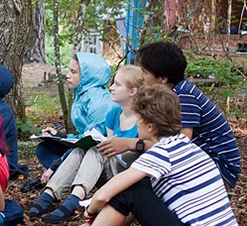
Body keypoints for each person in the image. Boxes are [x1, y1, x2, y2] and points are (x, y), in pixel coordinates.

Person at [29, 84, 242, 226]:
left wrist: (89, 216)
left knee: (130, 188)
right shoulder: (187, 147)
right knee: (136, 189)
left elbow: (105, 195)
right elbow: (139, 208)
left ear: (149, 126)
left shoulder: (162, 152)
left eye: (138, 118)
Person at [98, 41, 240, 189]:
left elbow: (179, 147)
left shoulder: (184, 97)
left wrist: (130, 143)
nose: (141, 77)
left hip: (217, 170)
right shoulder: (171, 94)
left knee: (139, 176)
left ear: (163, 79)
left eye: (145, 72)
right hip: (200, 164)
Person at [28, 65, 143, 223]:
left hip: (127, 177)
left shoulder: (143, 121)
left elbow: (139, 155)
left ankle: (73, 201)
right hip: (109, 173)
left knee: (98, 151)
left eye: (117, 84)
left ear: (132, 91)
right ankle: (49, 195)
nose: (111, 88)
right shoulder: (113, 115)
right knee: (81, 149)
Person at [25, 53, 114, 191]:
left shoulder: (98, 102)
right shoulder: (84, 93)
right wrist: (59, 136)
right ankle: (60, 174)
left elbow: (90, 141)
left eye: (73, 72)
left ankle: (59, 176)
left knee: (57, 155)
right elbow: (83, 136)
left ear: (87, 76)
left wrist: (54, 165)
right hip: (84, 145)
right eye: (69, 70)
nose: (68, 75)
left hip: (95, 153)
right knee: (44, 148)